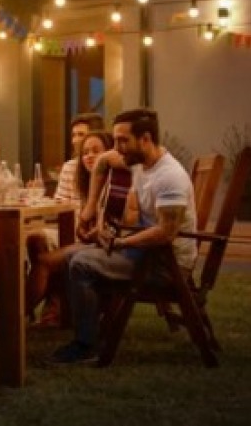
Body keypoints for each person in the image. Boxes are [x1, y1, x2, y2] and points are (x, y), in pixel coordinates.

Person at [50, 109, 197, 363]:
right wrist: (90, 211)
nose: (117, 148)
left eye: (122, 141)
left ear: (145, 139)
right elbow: (102, 163)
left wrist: (121, 241)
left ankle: (86, 345)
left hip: (165, 265)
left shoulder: (169, 177)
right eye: (115, 140)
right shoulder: (138, 161)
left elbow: (165, 232)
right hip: (145, 253)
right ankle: (94, 328)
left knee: (81, 263)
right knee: (71, 254)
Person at [26, 131, 114, 327]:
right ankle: (55, 309)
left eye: (96, 151)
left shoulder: (114, 181)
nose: (89, 156)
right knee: (36, 241)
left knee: (44, 262)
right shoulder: (86, 180)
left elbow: (112, 225)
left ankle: (13, 318)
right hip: (91, 240)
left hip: (109, 246)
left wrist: (91, 232)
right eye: (85, 152)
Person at [53, 113, 105, 203]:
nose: (75, 141)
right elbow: (60, 206)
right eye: (73, 135)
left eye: (81, 135)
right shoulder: (70, 167)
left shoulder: (111, 166)